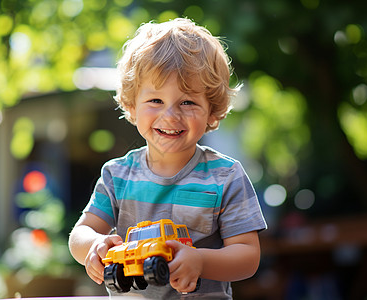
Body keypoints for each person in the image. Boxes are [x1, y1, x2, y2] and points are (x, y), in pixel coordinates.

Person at [69, 18, 267, 299]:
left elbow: (248, 255)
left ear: (212, 111)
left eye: (188, 102)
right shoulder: (117, 175)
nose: (170, 116)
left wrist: (200, 261)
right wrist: (94, 245)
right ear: (131, 105)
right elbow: (81, 232)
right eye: (155, 101)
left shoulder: (226, 176)